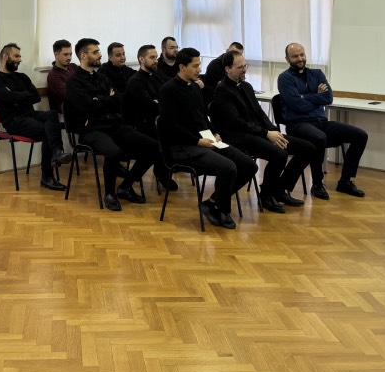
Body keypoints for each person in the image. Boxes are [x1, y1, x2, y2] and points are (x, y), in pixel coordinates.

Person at [158, 47, 257, 229]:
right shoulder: (168, 90)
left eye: (199, 65)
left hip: (204, 140)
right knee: (228, 167)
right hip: (181, 147)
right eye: (195, 66)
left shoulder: (195, 87)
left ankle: (212, 202)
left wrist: (214, 133)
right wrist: (198, 141)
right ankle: (222, 210)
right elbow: (170, 127)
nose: (199, 70)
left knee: (249, 165)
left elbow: (203, 117)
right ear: (182, 67)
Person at [211, 51, 316, 212]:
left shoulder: (246, 86)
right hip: (238, 136)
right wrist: (266, 133)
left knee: (308, 148)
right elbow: (236, 122)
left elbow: (259, 113)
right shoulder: (222, 90)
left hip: (257, 132)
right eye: (240, 67)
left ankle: (279, 189)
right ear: (227, 69)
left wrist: (273, 130)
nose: (244, 70)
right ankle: (266, 195)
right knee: (279, 154)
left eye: (245, 66)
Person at [65, 38, 158, 212]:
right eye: (95, 52)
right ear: (83, 56)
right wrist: (107, 98)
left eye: (99, 51)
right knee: (114, 152)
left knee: (154, 147)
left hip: (113, 125)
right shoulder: (74, 82)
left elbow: (118, 100)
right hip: (91, 130)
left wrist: (100, 99)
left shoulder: (102, 77)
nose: (99, 55)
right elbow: (87, 106)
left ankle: (126, 186)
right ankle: (109, 194)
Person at [277, 43, 368, 200]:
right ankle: (317, 184)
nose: (300, 58)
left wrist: (305, 97)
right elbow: (296, 105)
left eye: (302, 54)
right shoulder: (285, 78)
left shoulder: (317, 74)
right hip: (297, 124)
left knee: (360, 135)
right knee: (319, 138)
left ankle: (345, 181)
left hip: (321, 122)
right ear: (287, 59)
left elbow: (328, 98)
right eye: (295, 56)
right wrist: (316, 96)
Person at [0, 43, 72, 192]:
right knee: (48, 130)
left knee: (52, 115)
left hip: (29, 115)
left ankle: (57, 153)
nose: (20, 59)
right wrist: (22, 96)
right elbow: (10, 98)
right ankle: (47, 176)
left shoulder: (22, 77)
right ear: (5, 57)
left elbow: (35, 97)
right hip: (14, 121)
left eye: (20, 56)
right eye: (16, 56)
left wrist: (16, 97)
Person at [123, 44, 173, 191]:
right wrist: (157, 102)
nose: (156, 60)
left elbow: (166, 98)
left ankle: (162, 170)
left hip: (157, 122)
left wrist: (158, 102)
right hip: (141, 127)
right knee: (156, 147)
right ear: (141, 59)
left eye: (156, 57)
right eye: (152, 57)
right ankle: (129, 184)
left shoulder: (156, 76)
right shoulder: (136, 81)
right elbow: (150, 106)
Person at [46, 39, 77, 113]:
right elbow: (71, 96)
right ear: (56, 55)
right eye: (65, 54)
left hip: (80, 108)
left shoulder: (73, 66)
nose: (69, 57)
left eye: (70, 54)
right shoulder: (53, 76)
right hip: (66, 114)